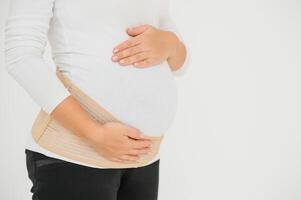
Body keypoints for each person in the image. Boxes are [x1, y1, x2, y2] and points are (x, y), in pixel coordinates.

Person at [4, 0, 189, 199]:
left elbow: (180, 65)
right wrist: (94, 133)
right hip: (74, 157)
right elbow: (21, 56)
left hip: (143, 158)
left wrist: (172, 44)